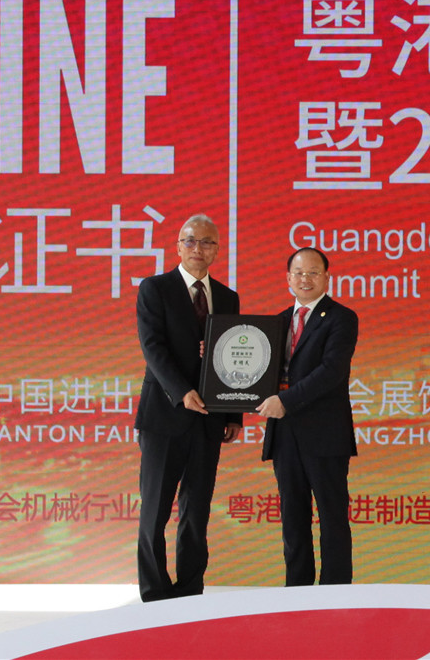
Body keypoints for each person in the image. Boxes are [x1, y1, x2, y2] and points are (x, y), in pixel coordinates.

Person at [134, 214, 242, 602]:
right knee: (155, 511)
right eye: (191, 241)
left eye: (207, 242)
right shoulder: (155, 288)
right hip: (164, 416)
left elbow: (235, 358)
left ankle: (190, 591)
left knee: (196, 512)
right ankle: (155, 593)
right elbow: (153, 348)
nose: (199, 249)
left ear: (217, 250)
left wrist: (233, 414)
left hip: (209, 420)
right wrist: (182, 392)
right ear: (178, 246)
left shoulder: (227, 297)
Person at [256, 247, 358, 586]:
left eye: (313, 272)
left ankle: (335, 592)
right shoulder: (277, 322)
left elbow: (331, 372)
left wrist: (284, 401)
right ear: (288, 278)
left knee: (332, 517)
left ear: (327, 277)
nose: (305, 279)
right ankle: (297, 591)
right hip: (285, 434)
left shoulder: (342, 318)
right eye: (299, 273)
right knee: (293, 518)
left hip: (325, 434)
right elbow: (257, 369)